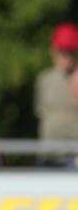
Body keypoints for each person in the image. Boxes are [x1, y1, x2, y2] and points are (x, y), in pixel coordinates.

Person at [35, 22, 78, 167]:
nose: (65, 56)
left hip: (74, 157)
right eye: (61, 51)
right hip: (48, 156)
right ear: (53, 50)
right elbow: (41, 113)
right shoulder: (44, 79)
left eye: (69, 51)